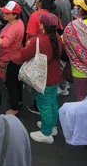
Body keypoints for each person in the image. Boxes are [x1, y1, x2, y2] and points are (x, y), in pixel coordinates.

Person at [17, 13, 62, 144]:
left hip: (43, 79)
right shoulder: (57, 37)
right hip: (54, 76)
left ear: (42, 25)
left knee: (44, 106)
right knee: (52, 102)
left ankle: (46, 134)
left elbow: (24, 54)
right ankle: (52, 127)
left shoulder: (39, 41)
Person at [0, 1, 26, 115]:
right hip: (16, 57)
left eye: (7, 13)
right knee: (17, 82)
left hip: (11, 60)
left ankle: (14, 108)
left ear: (14, 15)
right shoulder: (17, 22)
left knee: (11, 84)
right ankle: (18, 101)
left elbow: (4, 43)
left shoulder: (14, 27)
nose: (3, 14)